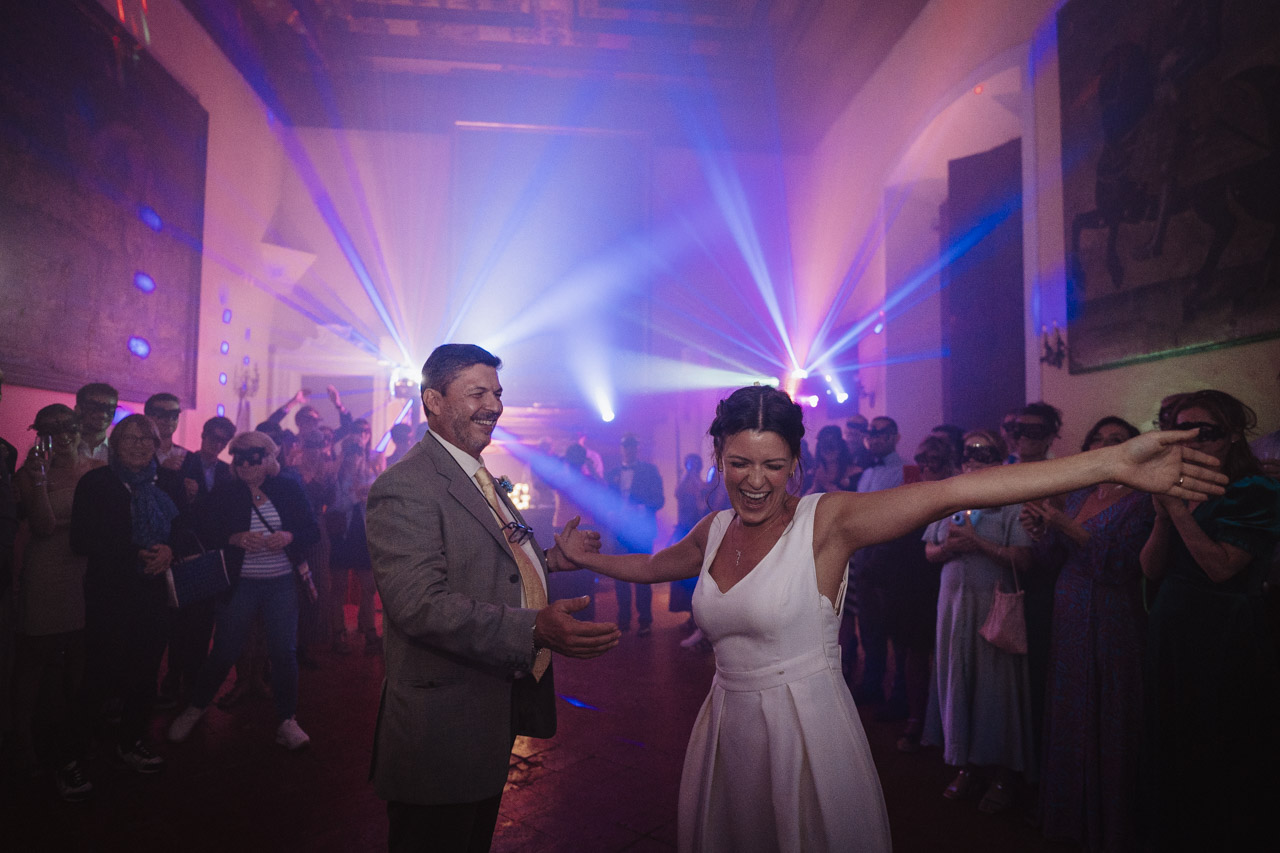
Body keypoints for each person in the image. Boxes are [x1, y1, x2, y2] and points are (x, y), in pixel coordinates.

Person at [554, 386, 1224, 853]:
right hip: (727, 725)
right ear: (718, 458)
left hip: (803, 729)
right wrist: (588, 558)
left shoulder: (828, 521)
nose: (755, 481)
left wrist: (1113, 463)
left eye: (773, 465)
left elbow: (954, 490)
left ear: (796, 463)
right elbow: (658, 563)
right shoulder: (715, 527)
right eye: (739, 463)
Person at [364, 344, 620, 853]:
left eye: (497, 393)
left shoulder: (476, 473)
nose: (494, 405)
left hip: (485, 710)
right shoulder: (406, 486)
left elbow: (488, 561)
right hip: (441, 726)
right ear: (433, 401)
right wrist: (533, 628)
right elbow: (419, 604)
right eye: (477, 393)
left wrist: (549, 561)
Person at [1140, 390, 1280, 850]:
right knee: (1171, 736)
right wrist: (1163, 517)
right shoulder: (1178, 484)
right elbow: (1150, 569)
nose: (1195, 441)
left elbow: (1221, 568)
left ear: (1234, 435)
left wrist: (1178, 510)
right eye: (1184, 431)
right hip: (1172, 623)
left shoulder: (1255, 489)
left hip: (1222, 630)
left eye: (1208, 431)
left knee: (1219, 740)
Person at [1023, 416, 1152, 851]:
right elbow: (1051, 559)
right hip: (1069, 611)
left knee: (1107, 707)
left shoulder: (1143, 500)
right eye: (1098, 439)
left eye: (1116, 439)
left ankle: (1108, 823)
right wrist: (1040, 532)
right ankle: (1068, 815)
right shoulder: (1081, 493)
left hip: (1113, 613)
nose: (1105, 444)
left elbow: (1121, 566)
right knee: (1070, 705)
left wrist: (1065, 526)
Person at [167, 430, 320, 750]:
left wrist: (289, 537)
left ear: (269, 458)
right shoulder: (226, 492)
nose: (246, 465)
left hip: (280, 582)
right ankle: (196, 707)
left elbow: (311, 530)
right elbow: (200, 527)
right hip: (241, 582)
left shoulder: (287, 488)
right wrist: (233, 538)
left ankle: (287, 719)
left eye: (254, 457)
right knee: (224, 650)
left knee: (283, 652)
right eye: (239, 458)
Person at [923, 429, 1036, 814]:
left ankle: (1004, 773)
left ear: (999, 458)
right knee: (958, 677)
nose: (974, 458)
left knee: (995, 685)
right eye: (968, 452)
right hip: (953, 605)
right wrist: (948, 548)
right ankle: (966, 764)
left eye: (984, 453)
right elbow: (930, 550)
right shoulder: (950, 496)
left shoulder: (1011, 500)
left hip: (992, 604)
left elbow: (1024, 559)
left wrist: (980, 544)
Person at [70, 414, 189, 774]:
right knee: (100, 673)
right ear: (116, 444)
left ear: (156, 445)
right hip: (110, 592)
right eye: (130, 439)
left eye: (146, 439)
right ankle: (74, 754)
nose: (139, 446)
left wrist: (169, 550)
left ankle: (132, 740)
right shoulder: (97, 483)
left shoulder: (168, 482)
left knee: (146, 672)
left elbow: (185, 529)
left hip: (154, 592)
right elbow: (81, 540)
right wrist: (134, 553)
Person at [11, 405, 100, 799]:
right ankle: (23, 743)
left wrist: (74, 527)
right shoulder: (28, 473)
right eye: (53, 430)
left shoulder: (96, 469)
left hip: (83, 573)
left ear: (80, 429)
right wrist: (41, 479)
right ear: (40, 434)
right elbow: (44, 526)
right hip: (46, 573)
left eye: (70, 428)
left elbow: (104, 526)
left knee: (78, 661)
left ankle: (71, 741)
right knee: (33, 660)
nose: (64, 437)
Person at [605, 432, 665, 636]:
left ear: (637, 449)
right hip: (619, 530)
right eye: (626, 446)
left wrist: (641, 508)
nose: (628, 450)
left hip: (641, 531)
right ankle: (623, 620)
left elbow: (659, 500)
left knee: (642, 575)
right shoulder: (612, 473)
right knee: (620, 575)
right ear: (621, 449)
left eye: (632, 446)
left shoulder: (650, 471)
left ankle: (645, 620)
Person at [74, 382, 118, 462]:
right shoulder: (62, 448)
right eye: (94, 408)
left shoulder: (119, 452)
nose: (103, 415)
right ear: (78, 409)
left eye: (110, 409)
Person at [144, 393, 187, 471]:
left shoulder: (188, 458)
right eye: (162, 414)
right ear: (147, 417)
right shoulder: (138, 454)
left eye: (174, 414)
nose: (169, 419)